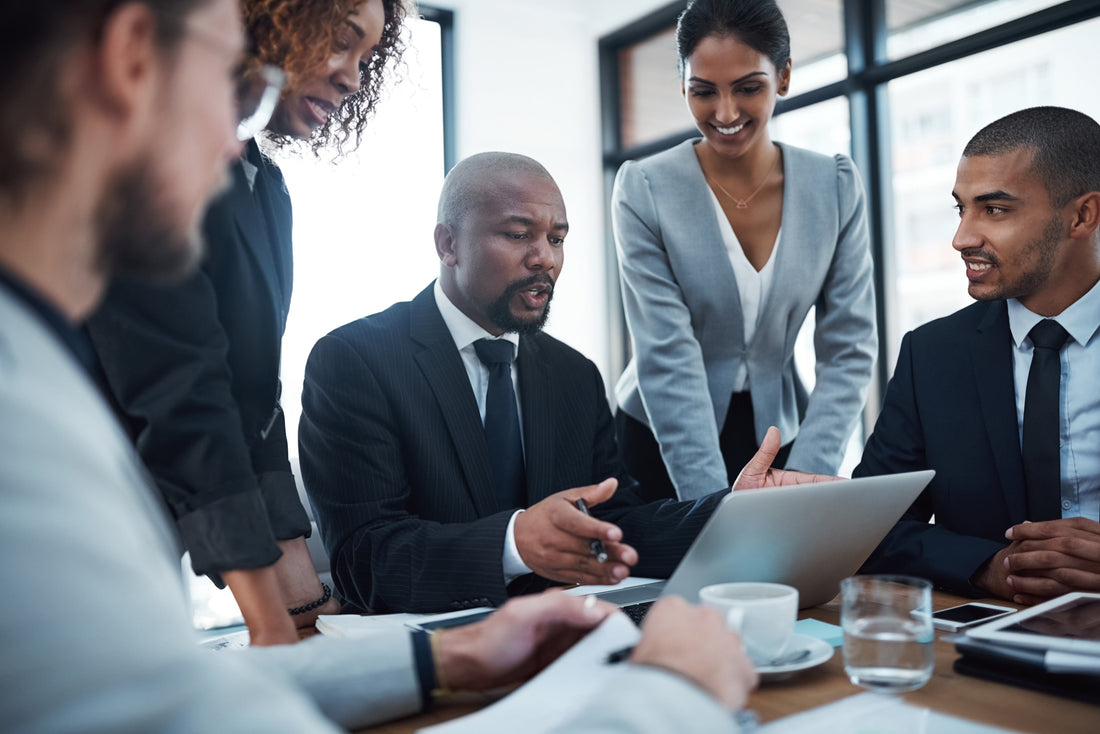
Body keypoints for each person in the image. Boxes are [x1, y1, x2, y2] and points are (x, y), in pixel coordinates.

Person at [0, 1, 760, 730]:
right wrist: (675, 694)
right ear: (132, 60)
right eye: (234, 83)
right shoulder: (34, 443)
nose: (240, 144)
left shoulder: (46, 377)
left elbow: (168, 689)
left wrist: (443, 659)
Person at [299, 151, 832, 614]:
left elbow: (618, 523)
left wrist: (732, 514)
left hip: (569, 635)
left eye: (557, 239)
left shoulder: (574, 375)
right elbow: (362, 559)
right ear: (448, 243)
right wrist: (515, 543)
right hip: (432, 650)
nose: (545, 259)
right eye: (517, 235)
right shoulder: (354, 361)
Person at [85, 0, 406, 644]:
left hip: (159, 523)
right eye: (342, 42)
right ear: (273, 22)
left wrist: (302, 610)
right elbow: (185, 392)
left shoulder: (266, 186)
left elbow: (254, 403)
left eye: (367, 57)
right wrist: (273, 628)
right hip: (87, 505)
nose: (352, 76)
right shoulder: (151, 145)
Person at [612, 0, 877, 502]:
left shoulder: (835, 186)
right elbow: (667, 355)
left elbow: (849, 349)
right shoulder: (644, 188)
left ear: (783, 76)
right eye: (703, 91)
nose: (725, 113)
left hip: (777, 436)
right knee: (677, 576)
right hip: (661, 437)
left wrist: (805, 482)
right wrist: (713, 508)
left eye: (748, 87)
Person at [857, 106, 1100, 606]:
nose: (962, 238)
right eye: (960, 208)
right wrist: (989, 567)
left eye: (995, 209)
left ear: (1082, 215)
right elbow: (871, 531)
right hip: (987, 640)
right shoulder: (931, 356)